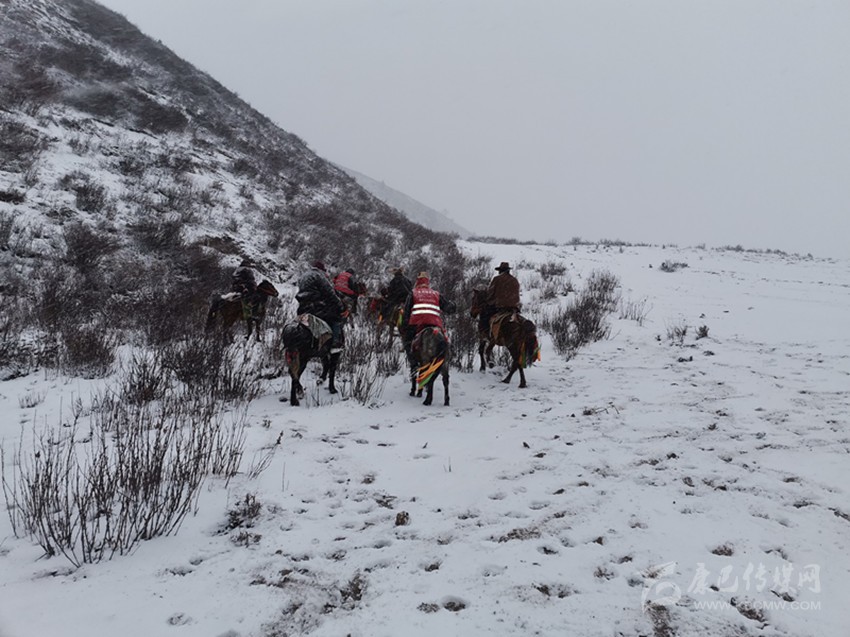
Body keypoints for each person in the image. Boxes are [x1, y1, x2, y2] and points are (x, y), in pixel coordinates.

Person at [296, 260, 346, 353]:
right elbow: (329, 292)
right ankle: (335, 344)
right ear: (322, 270)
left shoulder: (303, 276)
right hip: (317, 307)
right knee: (336, 319)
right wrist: (339, 305)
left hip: (302, 308)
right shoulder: (319, 276)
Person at [402, 271, 456, 348]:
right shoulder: (436, 294)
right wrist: (453, 305)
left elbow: (406, 312)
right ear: (427, 282)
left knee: (408, 343)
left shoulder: (413, 293)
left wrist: (405, 326)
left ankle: (411, 355)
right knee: (446, 344)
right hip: (435, 324)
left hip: (416, 325)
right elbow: (447, 307)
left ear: (417, 281)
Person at [480, 261, 521, 335]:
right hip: (514, 308)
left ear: (500, 271)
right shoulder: (515, 280)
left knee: (484, 317)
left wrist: (488, 301)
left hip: (500, 307)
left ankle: (486, 334)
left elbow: (490, 293)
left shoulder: (497, 279)